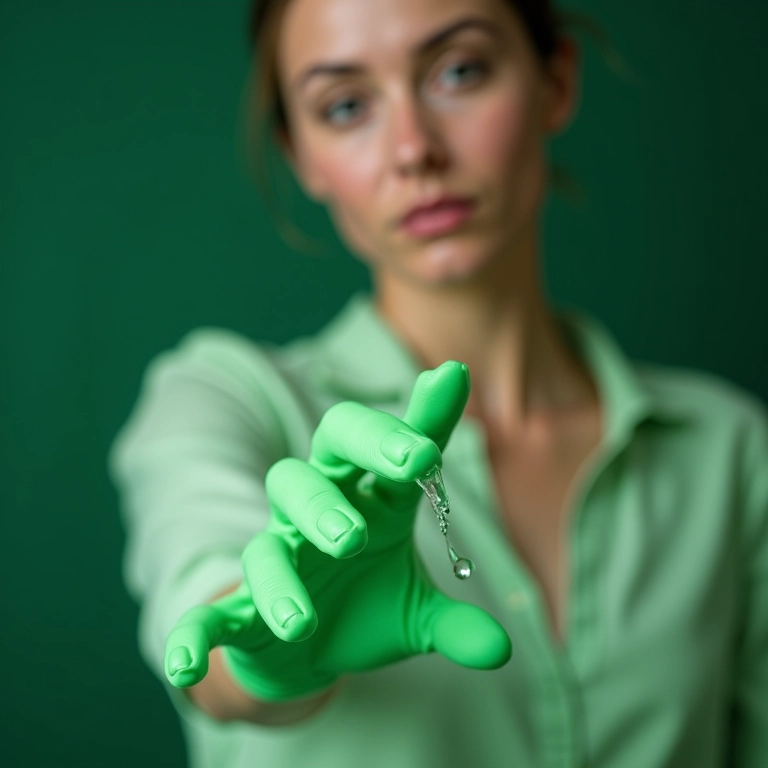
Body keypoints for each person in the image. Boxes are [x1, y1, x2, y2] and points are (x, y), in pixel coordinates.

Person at [107, 0, 768, 765]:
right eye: (345, 106)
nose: (414, 149)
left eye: (459, 71)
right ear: (302, 155)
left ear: (555, 82)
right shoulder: (223, 399)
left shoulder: (731, 452)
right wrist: (267, 661)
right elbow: (208, 614)